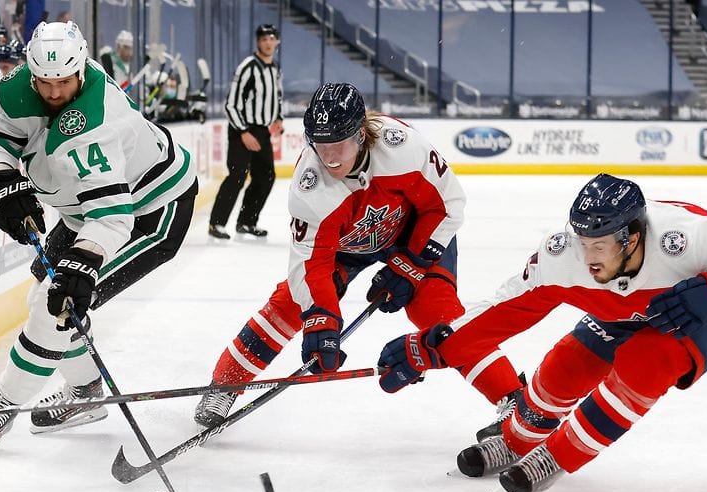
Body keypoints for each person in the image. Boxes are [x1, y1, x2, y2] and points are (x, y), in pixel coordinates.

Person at [379, 174, 707, 492]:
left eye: (599, 246)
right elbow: (503, 310)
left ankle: (557, 454)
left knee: (643, 364)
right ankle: (515, 440)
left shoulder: (683, 238)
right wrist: (432, 347)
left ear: (632, 237)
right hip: (630, 308)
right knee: (565, 367)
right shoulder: (563, 253)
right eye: (583, 242)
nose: (587, 257)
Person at [194, 82, 489, 428]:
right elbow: (311, 264)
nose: (330, 157)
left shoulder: (405, 148)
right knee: (290, 303)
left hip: (413, 235)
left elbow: (448, 206)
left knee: (441, 317)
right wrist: (322, 318)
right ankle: (225, 384)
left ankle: (515, 403)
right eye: (321, 146)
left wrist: (410, 265)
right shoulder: (309, 184)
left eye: (339, 145)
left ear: (361, 135)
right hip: (347, 245)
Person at [0, 21, 198, 454]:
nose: (54, 92)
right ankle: (87, 391)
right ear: (31, 72)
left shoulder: (93, 124)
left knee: (56, 304)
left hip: (149, 210)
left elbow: (111, 218)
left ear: (82, 69)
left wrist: (86, 262)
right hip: (83, 210)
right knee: (46, 299)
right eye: (45, 82)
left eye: (65, 82)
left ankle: (5, 403)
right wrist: (0, 178)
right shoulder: (18, 88)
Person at [207, 23, 283, 240]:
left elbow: (277, 97)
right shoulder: (248, 67)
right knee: (237, 176)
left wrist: (278, 119)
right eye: (264, 39)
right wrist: (243, 132)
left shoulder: (275, 68)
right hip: (242, 130)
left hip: (261, 131)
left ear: (277, 41)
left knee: (266, 177)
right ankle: (217, 223)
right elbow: (231, 103)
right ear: (258, 42)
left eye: (271, 38)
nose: (268, 42)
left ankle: (247, 222)